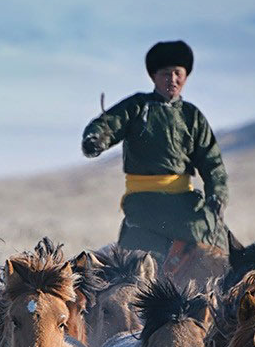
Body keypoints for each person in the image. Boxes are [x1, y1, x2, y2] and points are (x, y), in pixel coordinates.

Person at [81, 40, 229, 266]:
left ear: (186, 76)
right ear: (153, 77)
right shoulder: (138, 107)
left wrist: (217, 194)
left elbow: (212, 162)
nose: (172, 80)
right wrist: (96, 139)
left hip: (184, 203)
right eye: (165, 74)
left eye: (178, 73)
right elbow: (108, 124)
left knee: (219, 243)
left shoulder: (192, 116)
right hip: (144, 203)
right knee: (137, 264)